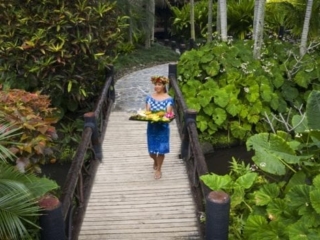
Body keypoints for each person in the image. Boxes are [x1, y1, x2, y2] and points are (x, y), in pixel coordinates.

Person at [146, 75, 174, 180]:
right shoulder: (149, 98)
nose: (157, 87)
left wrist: (165, 115)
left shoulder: (169, 99)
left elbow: (168, 113)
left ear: (163, 86)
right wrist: (148, 114)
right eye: (156, 85)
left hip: (163, 127)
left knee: (161, 150)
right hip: (152, 126)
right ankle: (155, 160)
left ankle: (159, 169)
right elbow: (147, 111)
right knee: (151, 152)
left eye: (159, 84)